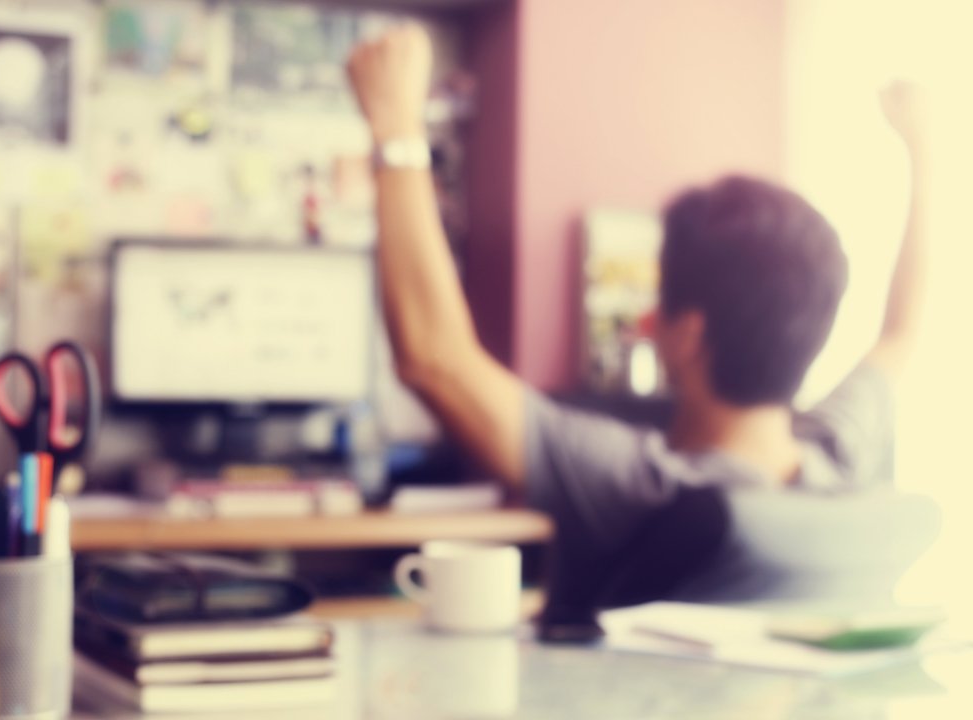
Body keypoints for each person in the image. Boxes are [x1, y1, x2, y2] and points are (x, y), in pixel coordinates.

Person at [346, 27, 926, 621]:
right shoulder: (839, 460)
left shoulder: (642, 488)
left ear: (688, 332)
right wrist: (927, 150)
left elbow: (435, 360)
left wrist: (396, 129)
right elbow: (903, 332)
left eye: (658, 301)